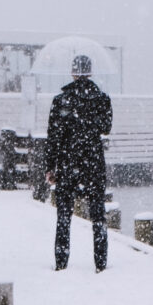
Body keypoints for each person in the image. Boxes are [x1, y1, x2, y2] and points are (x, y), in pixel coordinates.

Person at [45, 54, 112, 271]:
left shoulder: (61, 100)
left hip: (67, 161)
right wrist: (89, 123)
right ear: (90, 72)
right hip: (93, 161)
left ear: (73, 72)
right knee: (98, 215)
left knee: (64, 214)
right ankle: (100, 262)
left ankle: (61, 261)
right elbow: (106, 127)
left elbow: (53, 136)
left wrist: (50, 166)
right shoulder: (102, 98)